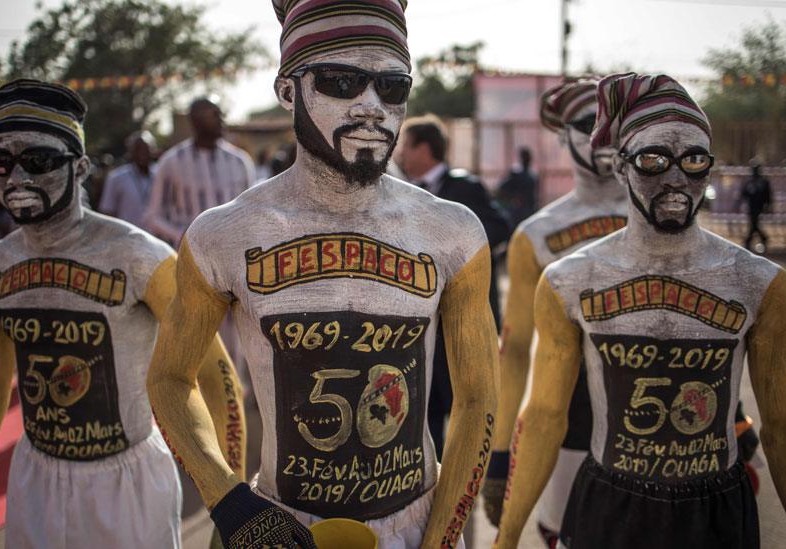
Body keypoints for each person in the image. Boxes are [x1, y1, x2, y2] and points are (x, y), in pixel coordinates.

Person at [147, 1, 498, 547]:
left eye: (392, 87)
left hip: (416, 518)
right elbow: (169, 378)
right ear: (288, 90)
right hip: (284, 522)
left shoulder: (452, 232)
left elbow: (478, 398)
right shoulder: (223, 234)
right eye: (341, 82)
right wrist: (231, 503)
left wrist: (442, 536)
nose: (371, 108)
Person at [495, 73, 786, 549]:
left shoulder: (758, 282)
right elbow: (546, 412)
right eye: (653, 161)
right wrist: (506, 534)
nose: (675, 179)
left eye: (694, 160)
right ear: (622, 166)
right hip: (609, 503)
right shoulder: (570, 279)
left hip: (716, 507)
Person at [0, 79, 244, 549]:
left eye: (38, 162)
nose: (16, 180)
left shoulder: (139, 258)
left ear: (81, 167)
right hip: (36, 477)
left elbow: (216, 374)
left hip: (127, 483)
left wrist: (229, 502)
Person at [481, 79, 628, 547]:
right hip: (571, 422)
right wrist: (501, 454)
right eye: (589, 125)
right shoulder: (537, 236)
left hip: (666, 428)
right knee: (567, 536)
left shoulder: (667, 216)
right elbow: (516, 350)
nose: (604, 136)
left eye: (616, 123)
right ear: (563, 137)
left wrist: (737, 419)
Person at [395, 113, 511, 459]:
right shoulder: (403, 194)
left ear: (425, 149)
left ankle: (463, 477)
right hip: (423, 321)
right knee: (423, 403)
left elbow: (500, 229)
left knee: (467, 400)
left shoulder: (466, 187)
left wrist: (451, 249)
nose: (400, 154)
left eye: (406, 146)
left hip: (461, 320)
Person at [144, 95, 255, 247]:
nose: (221, 120)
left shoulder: (240, 161)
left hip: (232, 254)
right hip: (189, 257)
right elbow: (153, 216)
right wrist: (181, 236)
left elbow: (252, 209)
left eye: (220, 114)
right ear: (195, 121)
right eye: (214, 115)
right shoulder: (171, 162)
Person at [99, 131, 156, 228]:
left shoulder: (160, 176)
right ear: (130, 152)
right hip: (126, 239)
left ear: (152, 150)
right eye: (138, 149)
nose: (142, 153)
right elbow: (107, 212)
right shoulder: (116, 177)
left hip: (156, 239)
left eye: (146, 149)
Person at [496, 147, 539, 227]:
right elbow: (502, 188)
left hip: (528, 211)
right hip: (518, 211)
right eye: (526, 157)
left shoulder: (532, 175)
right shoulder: (517, 174)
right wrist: (513, 198)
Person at [742, 163, 772, 252]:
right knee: (754, 225)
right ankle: (763, 238)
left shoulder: (764, 182)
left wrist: (768, 206)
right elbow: (744, 193)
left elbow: (768, 195)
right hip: (751, 206)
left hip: (759, 206)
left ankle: (748, 241)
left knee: (754, 224)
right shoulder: (749, 181)